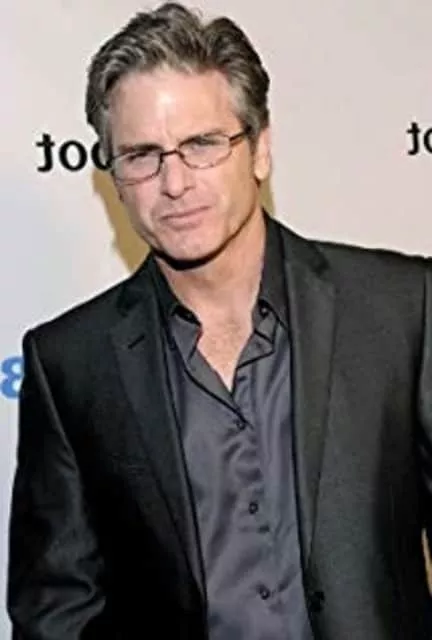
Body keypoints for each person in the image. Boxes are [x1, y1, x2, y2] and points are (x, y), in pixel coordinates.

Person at [7, 2, 432, 639]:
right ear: (114, 177)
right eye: (141, 155)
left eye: (202, 144)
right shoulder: (70, 364)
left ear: (260, 149)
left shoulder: (402, 309)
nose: (174, 182)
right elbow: (56, 612)